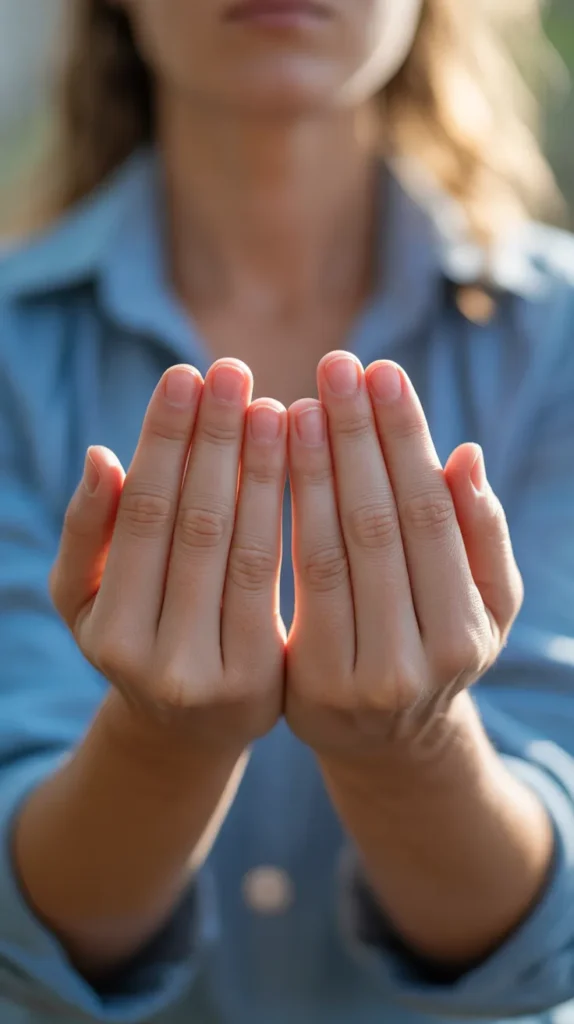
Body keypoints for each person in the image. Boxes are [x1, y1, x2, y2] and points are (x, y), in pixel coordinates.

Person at [0, 1, 574, 1022]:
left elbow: (547, 947)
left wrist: (411, 746)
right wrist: (159, 745)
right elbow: (22, 939)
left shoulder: (560, 343)